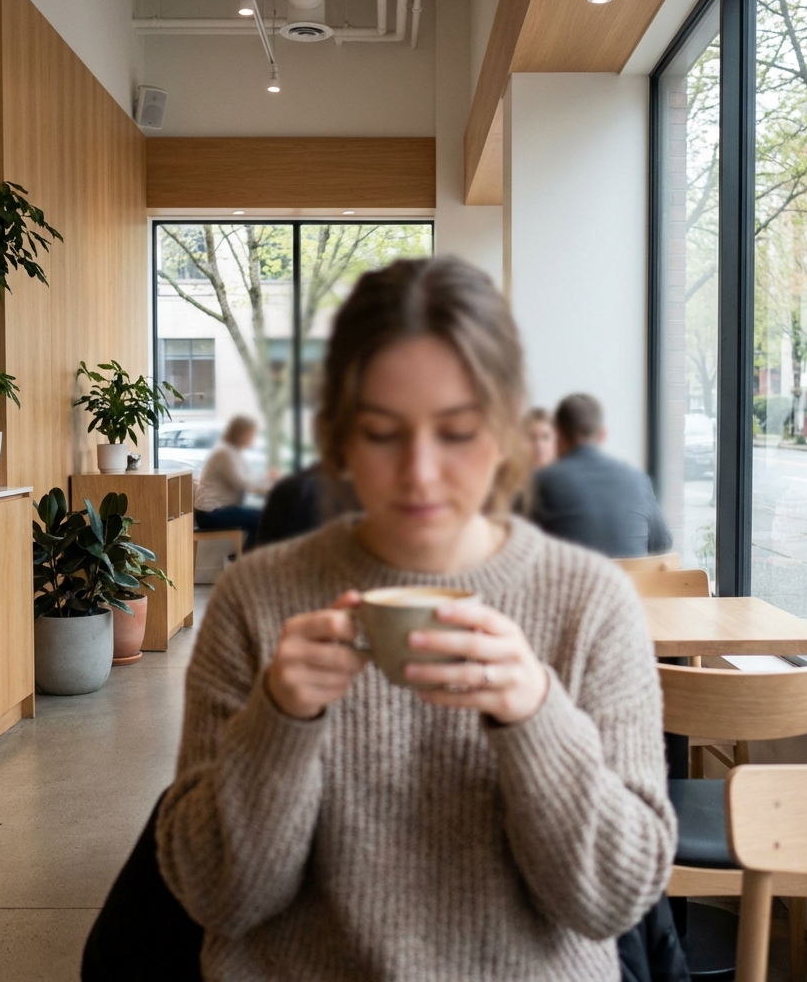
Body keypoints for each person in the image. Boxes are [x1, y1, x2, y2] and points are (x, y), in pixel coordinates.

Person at [155, 258, 676, 982]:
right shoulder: (256, 598)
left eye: (457, 432)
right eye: (381, 433)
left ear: (507, 430)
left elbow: (614, 900)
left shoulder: (592, 602)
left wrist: (537, 715)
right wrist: (278, 720)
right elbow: (218, 897)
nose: (420, 472)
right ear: (338, 436)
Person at [532, 393, 672, 558]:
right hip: (629, 576)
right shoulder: (639, 481)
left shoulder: (541, 482)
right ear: (602, 435)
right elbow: (662, 544)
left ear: (558, 436)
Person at [193, 415, 262, 549]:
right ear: (240, 433)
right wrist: (270, 483)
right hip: (210, 514)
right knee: (261, 518)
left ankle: (246, 557)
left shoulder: (233, 452)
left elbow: (248, 479)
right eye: (251, 434)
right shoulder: (225, 452)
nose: (253, 438)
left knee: (261, 516)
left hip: (217, 511)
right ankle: (247, 558)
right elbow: (242, 483)